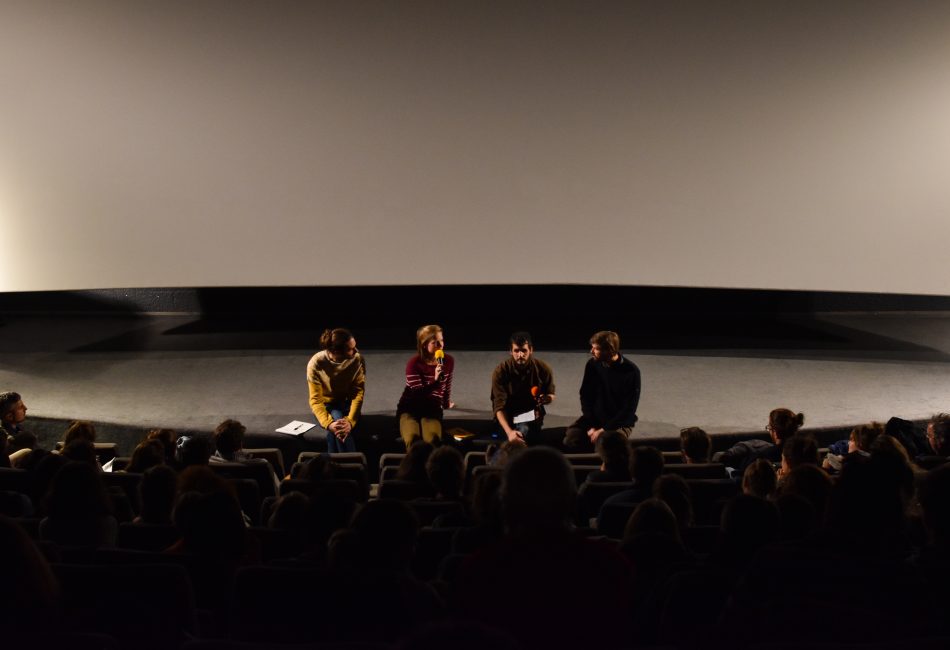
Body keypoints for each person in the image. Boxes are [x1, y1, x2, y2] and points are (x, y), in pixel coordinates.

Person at [563, 331, 641, 450]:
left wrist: (604, 430)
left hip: (619, 422)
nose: (591, 351)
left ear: (610, 350)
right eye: (592, 348)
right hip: (595, 418)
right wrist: (591, 425)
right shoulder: (592, 364)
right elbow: (585, 395)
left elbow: (628, 409)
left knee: (610, 446)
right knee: (571, 439)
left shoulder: (631, 372)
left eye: (596, 349)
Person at [490, 331, 556, 445]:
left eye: (524, 350)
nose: (520, 355)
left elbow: (551, 394)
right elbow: (499, 407)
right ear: (510, 351)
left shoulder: (543, 369)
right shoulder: (500, 371)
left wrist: (547, 399)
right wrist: (510, 432)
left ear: (531, 350)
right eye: (516, 351)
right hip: (507, 415)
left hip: (530, 416)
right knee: (510, 438)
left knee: (523, 431)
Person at [307, 328, 366, 453]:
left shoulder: (357, 359)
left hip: (347, 404)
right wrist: (329, 424)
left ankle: (335, 467)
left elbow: (358, 394)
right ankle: (352, 466)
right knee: (338, 422)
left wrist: (350, 421)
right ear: (335, 351)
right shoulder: (316, 363)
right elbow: (316, 400)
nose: (356, 351)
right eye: (350, 349)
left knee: (338, 429)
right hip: (327, 405)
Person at [396, 324, 455, 449]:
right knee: (413, 439)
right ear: (424, 344)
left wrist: (445, 402)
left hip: (432, 409)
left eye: (441, 340)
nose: (440, 345)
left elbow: (447, 384)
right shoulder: (413, 364)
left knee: (433, 439)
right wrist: (435, 380)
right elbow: (417, 394)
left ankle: (432, 467)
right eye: (435, 342)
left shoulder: (448, 360)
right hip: (410, 409)